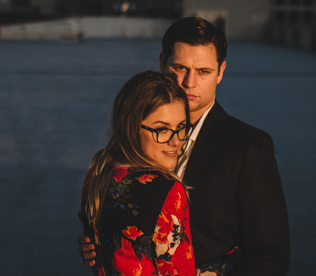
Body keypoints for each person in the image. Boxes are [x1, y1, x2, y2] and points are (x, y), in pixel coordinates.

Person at [81, 17, 290, 275]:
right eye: (179, 68)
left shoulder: (247, 147)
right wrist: (97, 244)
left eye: (203, 71)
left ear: (220, 72)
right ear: (162, 63)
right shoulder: (126, 145)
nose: (189, 83)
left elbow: (271, 256)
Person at [80, 71, 196, 276]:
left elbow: (92, 243)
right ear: (132, 128)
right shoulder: (168, 191)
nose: (176, 141)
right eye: (161, 130)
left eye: (181, 127)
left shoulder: (98, 170)